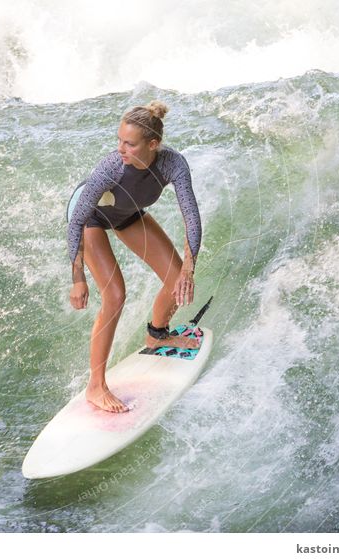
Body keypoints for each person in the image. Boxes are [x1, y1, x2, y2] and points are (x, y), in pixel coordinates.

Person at [67, 100, 202, 413]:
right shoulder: (110, 167)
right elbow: (76, 220)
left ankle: (157, 335)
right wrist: (78, 278)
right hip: (90, 219)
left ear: (152, 145)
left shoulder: (172, 165)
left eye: (129, 143)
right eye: (119, 140)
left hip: (128, 214)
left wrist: (189, 270)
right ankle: (95, 386)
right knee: (115, 295)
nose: (121, 148)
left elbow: (191, 217)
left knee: (175, 277)